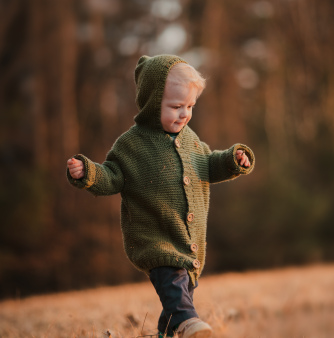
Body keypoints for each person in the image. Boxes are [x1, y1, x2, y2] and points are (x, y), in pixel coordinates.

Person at [66, 54, 255, 338]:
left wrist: (232, 160)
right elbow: (111, 175)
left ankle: (168, 331)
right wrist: (88, 173)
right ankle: (190, 324)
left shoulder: (190, 140)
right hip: (155, 240)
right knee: (176, 291)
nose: (185, 114)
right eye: (176, 106)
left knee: (177, 299)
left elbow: (208, 164)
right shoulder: (131, 144)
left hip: (188, 242)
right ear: (153, 104)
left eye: (190, 106)